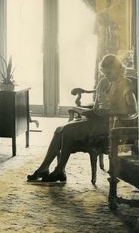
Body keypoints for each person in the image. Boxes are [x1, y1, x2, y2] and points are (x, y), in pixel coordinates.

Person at [27, 54, 137, 183]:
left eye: (109, 73)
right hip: (96, 118)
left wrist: (109, 111)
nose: (106, 76)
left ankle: (59, 170)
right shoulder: (104, 81)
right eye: (105, 73)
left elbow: (133, 109)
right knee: (59, 130)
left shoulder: (125, 83)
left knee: (67, 130)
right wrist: (90, 111)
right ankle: (44, 168)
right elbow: (97, 106)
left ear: (117, 69)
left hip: (109, 122)